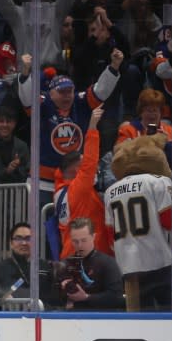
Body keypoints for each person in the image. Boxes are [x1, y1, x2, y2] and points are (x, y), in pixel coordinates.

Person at [17, 50, 122, 196]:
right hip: (43, 183)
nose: (67, 96)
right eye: (62, 92)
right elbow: (27, 99)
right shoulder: (43, 104)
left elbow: (101, 90)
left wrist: (114, 66)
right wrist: (25, 73)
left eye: (69, 91)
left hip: (78, 179)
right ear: (51, 93)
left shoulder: (81, 102)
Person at [104, 153, 172, 311]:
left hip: (128, 267)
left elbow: (110, 236)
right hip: (160, 261)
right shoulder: (158, 181)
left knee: (138, 319)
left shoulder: (110, 191)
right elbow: (170, 222)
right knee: (170, 315)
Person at [54, 107, 112, 258]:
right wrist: (92, 126)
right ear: (74, 169)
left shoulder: (60, 190)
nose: (92, 169)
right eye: (82, 164)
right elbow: (90, 160)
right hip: (88, 256)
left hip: (70, 254)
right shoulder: (78, 188)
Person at [59, 218, 125, 311]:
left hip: (102, 318)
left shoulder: (107, 263)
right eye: (75, 241)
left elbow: (117, 297)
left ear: (94, 237)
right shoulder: (66, 264)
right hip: (73, 317)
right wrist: (61, 290)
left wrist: (87, 297)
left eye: (84, 240)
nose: (80, 245)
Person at [0, 222, 56, 304]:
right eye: (18, 238)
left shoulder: (45, 267)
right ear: (11, 243)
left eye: (28, 238)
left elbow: (54, 298)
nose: (24, 243)